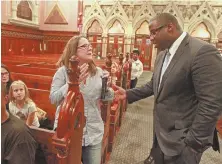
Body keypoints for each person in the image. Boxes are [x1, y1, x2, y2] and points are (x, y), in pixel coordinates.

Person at [113, 13, 222, 164]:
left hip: (184, 142)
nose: (150, 38)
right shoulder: (163, 53)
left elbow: (212, 103)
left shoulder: (202, 52)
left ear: (170, 27)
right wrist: (128, 94)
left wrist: (193, 144)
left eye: (153, 32)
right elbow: (154, 85)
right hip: (161, 134)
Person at [50, 35, 113, 164]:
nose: (90, 48)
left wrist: (107, 87)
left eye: (90, 45)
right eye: (84, 46)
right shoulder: (62, 72)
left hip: (93, 130)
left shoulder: (98, 72)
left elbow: (107, 98)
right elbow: (53, 99)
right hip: (69, 131)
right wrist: (72, 83)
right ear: (73, 51)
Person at [1, 82, 37, 164]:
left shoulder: (31, 106)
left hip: (31, 127)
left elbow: (27, 124)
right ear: (12, 93)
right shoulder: (11, 104)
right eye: (16, 90)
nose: (19, 92)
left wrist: (18, 126)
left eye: (21, 90)